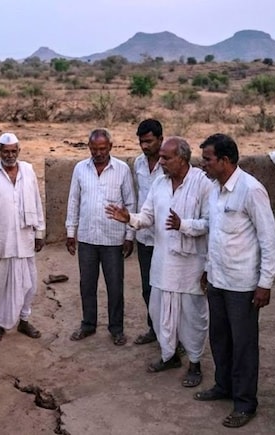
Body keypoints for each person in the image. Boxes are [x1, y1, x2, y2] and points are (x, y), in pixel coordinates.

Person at [106, 137, 211, 387]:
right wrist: (128, 218)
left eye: (166, 158)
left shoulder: (202, 184)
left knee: (191, 316)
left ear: (182, 159)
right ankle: (169, 355)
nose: (160, 162)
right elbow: (147, 216)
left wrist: (183, 225)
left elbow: (210, 223)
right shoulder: (160, 184)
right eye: (160, 157)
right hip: (163, 262)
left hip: (190, 264)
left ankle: (195, 363)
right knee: (160, 310)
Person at [194, 133, 275, 429]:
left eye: (207, 159)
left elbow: (269, 239)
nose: (202, 164)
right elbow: (216, 234)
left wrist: (265, 282)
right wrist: (207, 268)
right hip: (218, 279)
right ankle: (223, 386)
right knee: (219, 339)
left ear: (225, 160)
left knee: (243, 345)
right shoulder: (215, 189)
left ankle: (245, 403)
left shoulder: (251, 190)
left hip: (243, 285)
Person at [65, 128, 136, 346]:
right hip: (87, 237)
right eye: (94, 149)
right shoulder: (80, 169)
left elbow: (131, 203)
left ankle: (116, 329)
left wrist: (129, 235)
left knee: (115, 286)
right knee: (87, 285)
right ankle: (88, 324)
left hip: (113, 239)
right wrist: (71, 233)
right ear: (89, 148)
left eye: (102, 149)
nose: (98, 153)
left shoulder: (122, 169)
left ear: (111, 148)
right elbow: (74, 201)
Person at [0, 133, 45, 342]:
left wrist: (40, 232)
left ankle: (24, 320)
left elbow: (36, 200)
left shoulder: (28, 170)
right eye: (6, 152)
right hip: (2, 239)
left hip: (25, 237)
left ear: (19, 151)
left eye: (13, 151)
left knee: (28, 282)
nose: (10, 155)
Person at [132, 119, 164, 345]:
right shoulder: (138, 164)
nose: (145, 146)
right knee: (147, 288)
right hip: (144, 236)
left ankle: (172, 336)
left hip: (166, 237)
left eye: (149, 141)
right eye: (141, 142)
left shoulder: (172, 164)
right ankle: (154, 329)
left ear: (161, 140)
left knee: (167, 288)